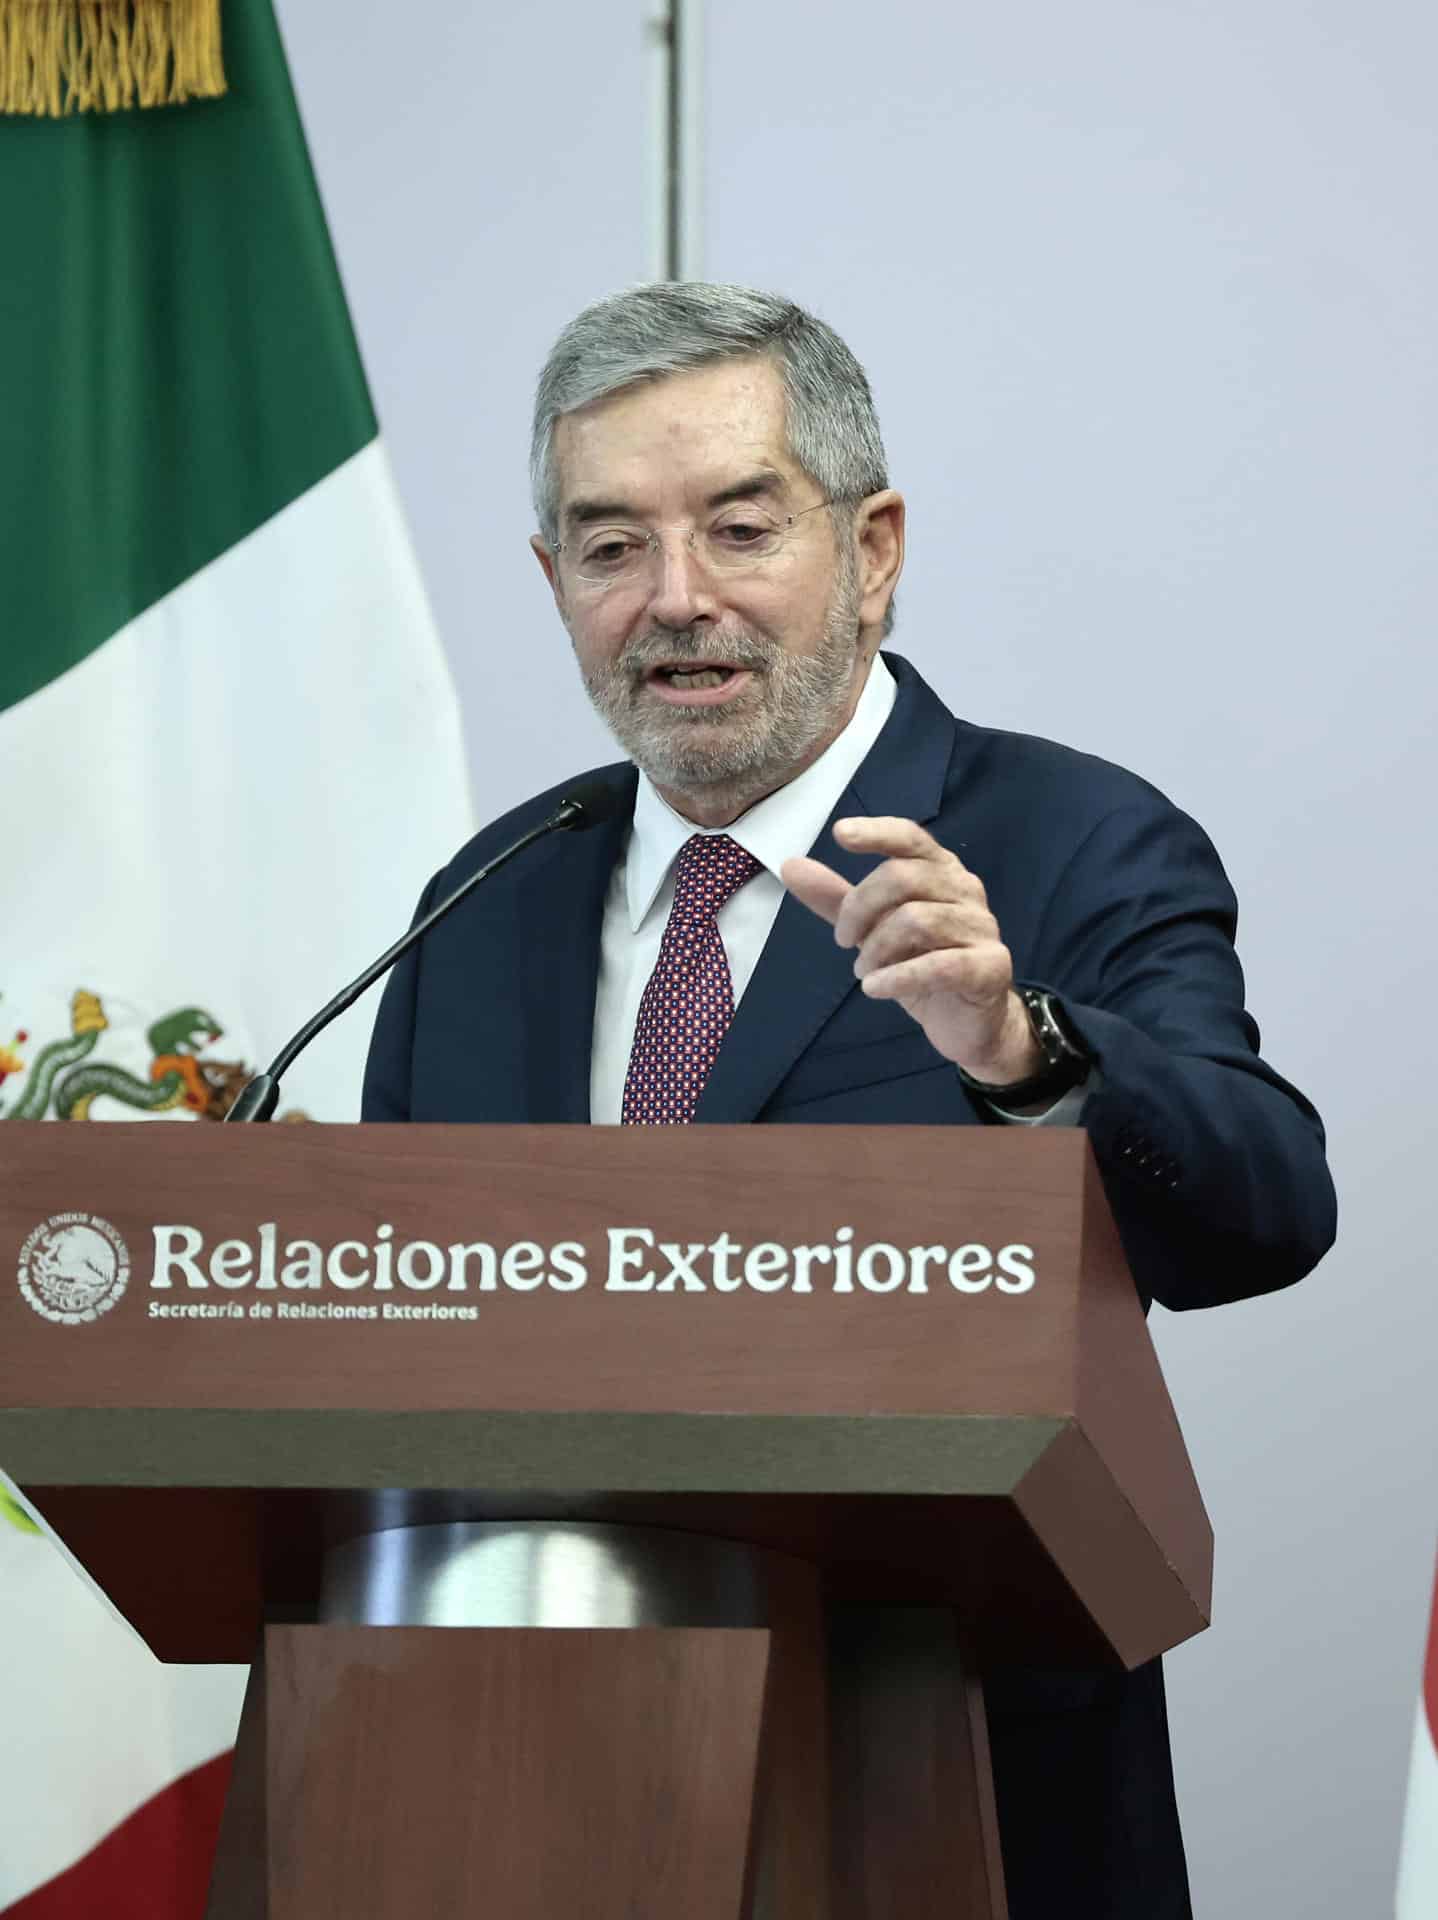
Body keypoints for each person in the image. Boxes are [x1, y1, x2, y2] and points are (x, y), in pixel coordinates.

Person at [363, 282, 1337, 1918]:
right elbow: (401, 1347)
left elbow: (1264, 1213)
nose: (675, 599)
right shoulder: (487, 899)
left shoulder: (1066, 842)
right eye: (609, 548)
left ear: (871, 548)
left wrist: (1022, 1047)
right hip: (526, 1772)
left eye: (739, 530)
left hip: (953, 1778)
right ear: (553, 582)